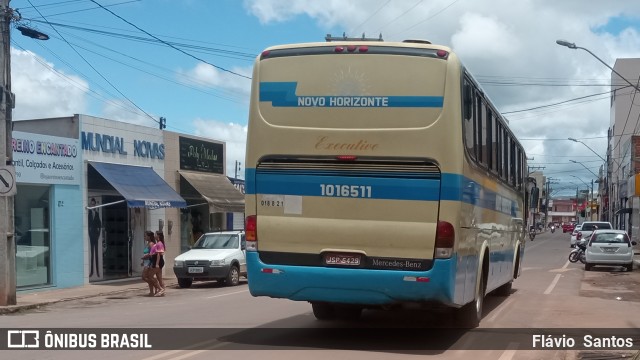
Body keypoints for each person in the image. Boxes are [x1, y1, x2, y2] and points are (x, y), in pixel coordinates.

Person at [141, 231, 160, 296]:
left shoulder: (151, 244)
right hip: (146, 262)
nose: (144, 237)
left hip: (149, 262)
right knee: (148, 277)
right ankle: (151, 291)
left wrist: (146, 256)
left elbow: (153, 254)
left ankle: (157, 286)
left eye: (145, 236)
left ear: (149, 237)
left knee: (144, 277)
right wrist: (143, 261)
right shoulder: (147, 244)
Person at [88, 198, 102, 278]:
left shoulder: (96, 214)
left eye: (94, 204)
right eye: (92, 204)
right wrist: (89, 232)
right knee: (92, 253)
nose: (93, 206)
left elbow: (100, 224)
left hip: (96, 235)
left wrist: (99, 233)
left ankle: (97, 271)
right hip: (91, 236)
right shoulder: (88, 213)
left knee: (96, 253)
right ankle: (91, 272)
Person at [150, 231, 166, 296]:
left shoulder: (159, 243)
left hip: (158, 261)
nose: (154, 236)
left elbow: (159, 254)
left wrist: (156, 263)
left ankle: (160, 289)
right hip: (157, 261)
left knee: (150, 275)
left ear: (158, 236)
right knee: (159, 277)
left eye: (156, 234)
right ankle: (162, 290)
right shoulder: (158, 243)